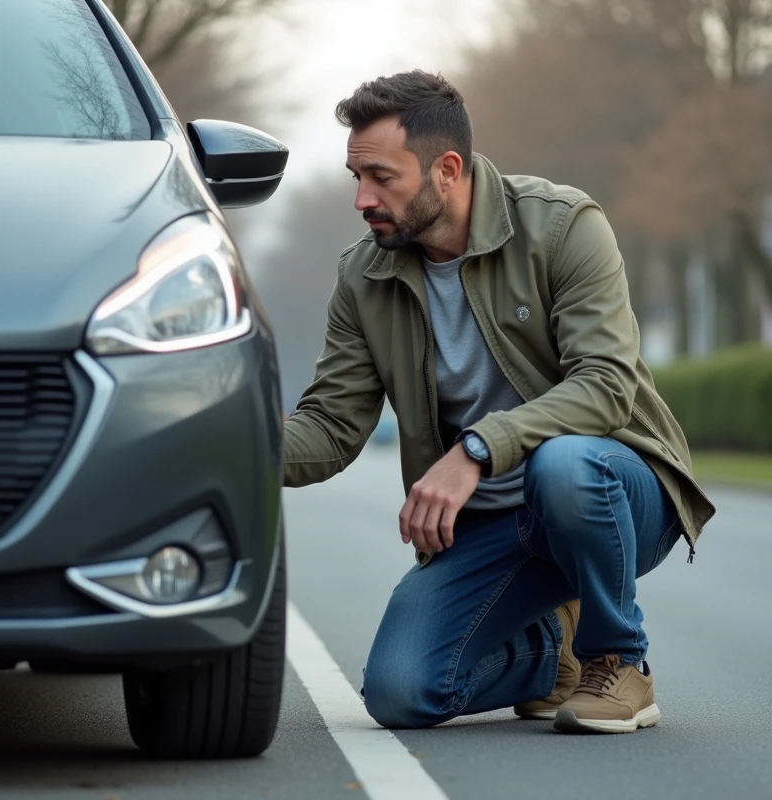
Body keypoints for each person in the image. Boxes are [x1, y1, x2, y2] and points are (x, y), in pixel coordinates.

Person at [282, 70, 716, 734]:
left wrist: (478, 450)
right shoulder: (363, 276)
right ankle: (551, 654)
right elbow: (334, 425)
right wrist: (228, 445)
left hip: (615, 491)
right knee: (400, 694)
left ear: (446, 170)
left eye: (381, 177)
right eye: (355, 177)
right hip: (493, 529)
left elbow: (605, 384)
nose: (362, 198)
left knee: (563, 466)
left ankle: (620, 662)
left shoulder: (564, 225)